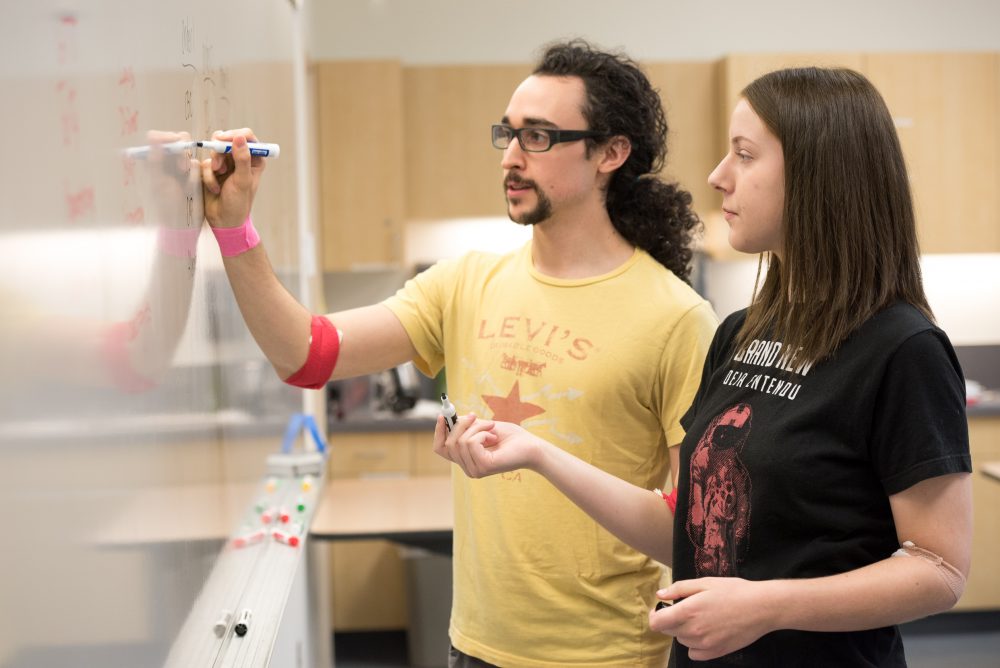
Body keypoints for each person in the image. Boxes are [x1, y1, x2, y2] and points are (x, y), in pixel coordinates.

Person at [200, 40, 719, 667]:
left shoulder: (677, 319)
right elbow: (306, 355)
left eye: (539, 137)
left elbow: (690, 532)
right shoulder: (465, 282)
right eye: (508, 134)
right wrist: (235, 229)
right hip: (472, 648)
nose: (511, 158)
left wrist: (540, 457)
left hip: (603, 655)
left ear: (611, 153)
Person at [436, 66, 973, 667]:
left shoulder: (902, 349)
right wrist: (536, 453)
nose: (718, 177)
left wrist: (765, 607)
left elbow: (939, 567)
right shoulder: (740, 332)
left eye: (744, 155)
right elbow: (684, 523)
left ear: (819, 177)